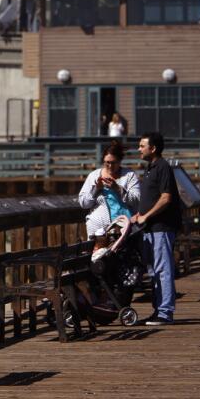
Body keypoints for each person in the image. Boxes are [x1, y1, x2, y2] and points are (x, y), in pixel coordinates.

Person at [133, 131, 181, 326]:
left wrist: (146, 215)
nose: (139, 149)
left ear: (152, 148)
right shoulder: (150, 168)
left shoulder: (162, 167)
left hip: (161, 227)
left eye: (142, 146)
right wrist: (139, 215)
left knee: (163, 270)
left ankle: (165, 312)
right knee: (154, 270)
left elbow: (166, 197)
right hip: (150, 229)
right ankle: (158, 310)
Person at [78, 141, 140, 242]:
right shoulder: (94, 176)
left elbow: (137, 200)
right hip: (98, 231)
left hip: (125, 229)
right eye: (107, 162)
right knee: (99, 257)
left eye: (113, 162)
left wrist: (118, 188)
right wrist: (96, 189)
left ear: (120, 161)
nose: (110, 166)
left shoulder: (129, 175)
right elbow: (83, 203)